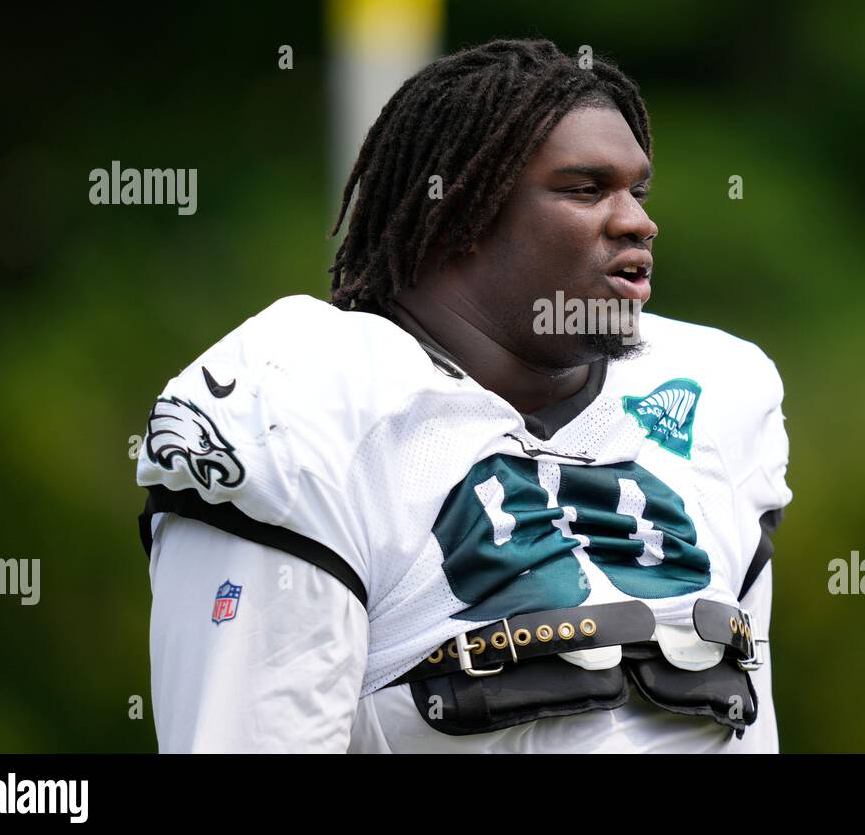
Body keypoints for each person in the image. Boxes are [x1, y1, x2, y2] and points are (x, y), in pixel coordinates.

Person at [136, 38, 792, 752]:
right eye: (584, 188)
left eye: (637, 190)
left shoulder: (716, 396)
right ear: (460, 214)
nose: (637, 221)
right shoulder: (311, 405)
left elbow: (746, 730)